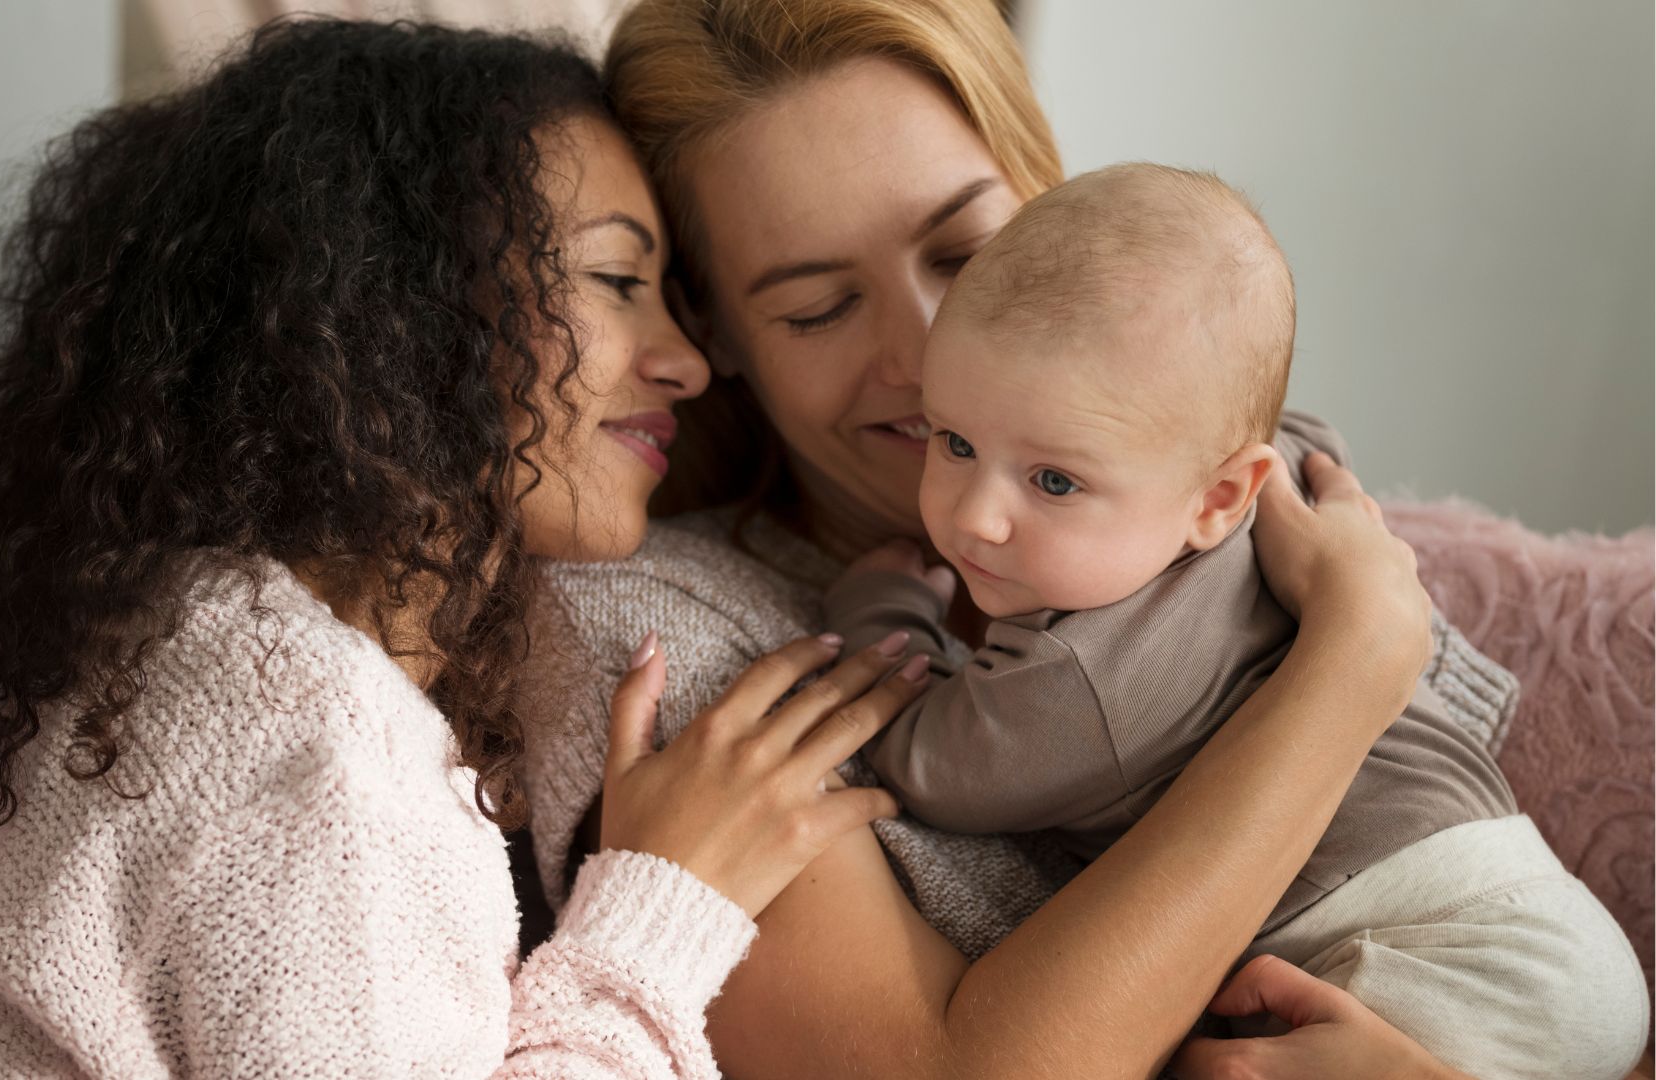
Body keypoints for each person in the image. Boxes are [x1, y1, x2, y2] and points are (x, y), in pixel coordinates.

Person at [0, 19, 934, 1078]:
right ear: (401, 302)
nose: (688, 364)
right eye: (614, 281)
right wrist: (663, 901)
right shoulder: (311, 744)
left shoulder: (213, 646)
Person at [519, 2, 1534, 1076]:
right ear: (712, 328)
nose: (925, 352)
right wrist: (1349, 668)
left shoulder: (1227, 505)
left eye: (964, 251)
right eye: (818, 307)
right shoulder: (655, 639)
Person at [820, 162, 1649, 1079]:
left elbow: (929, 762)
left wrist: (883, 602)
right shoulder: (1275, 478)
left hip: (1434, 953)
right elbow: (1301, 435)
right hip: (1540, 924)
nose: (973, 515)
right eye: (957, 441)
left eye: (1054, 480)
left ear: (1219, 496)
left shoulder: (1078, 674)